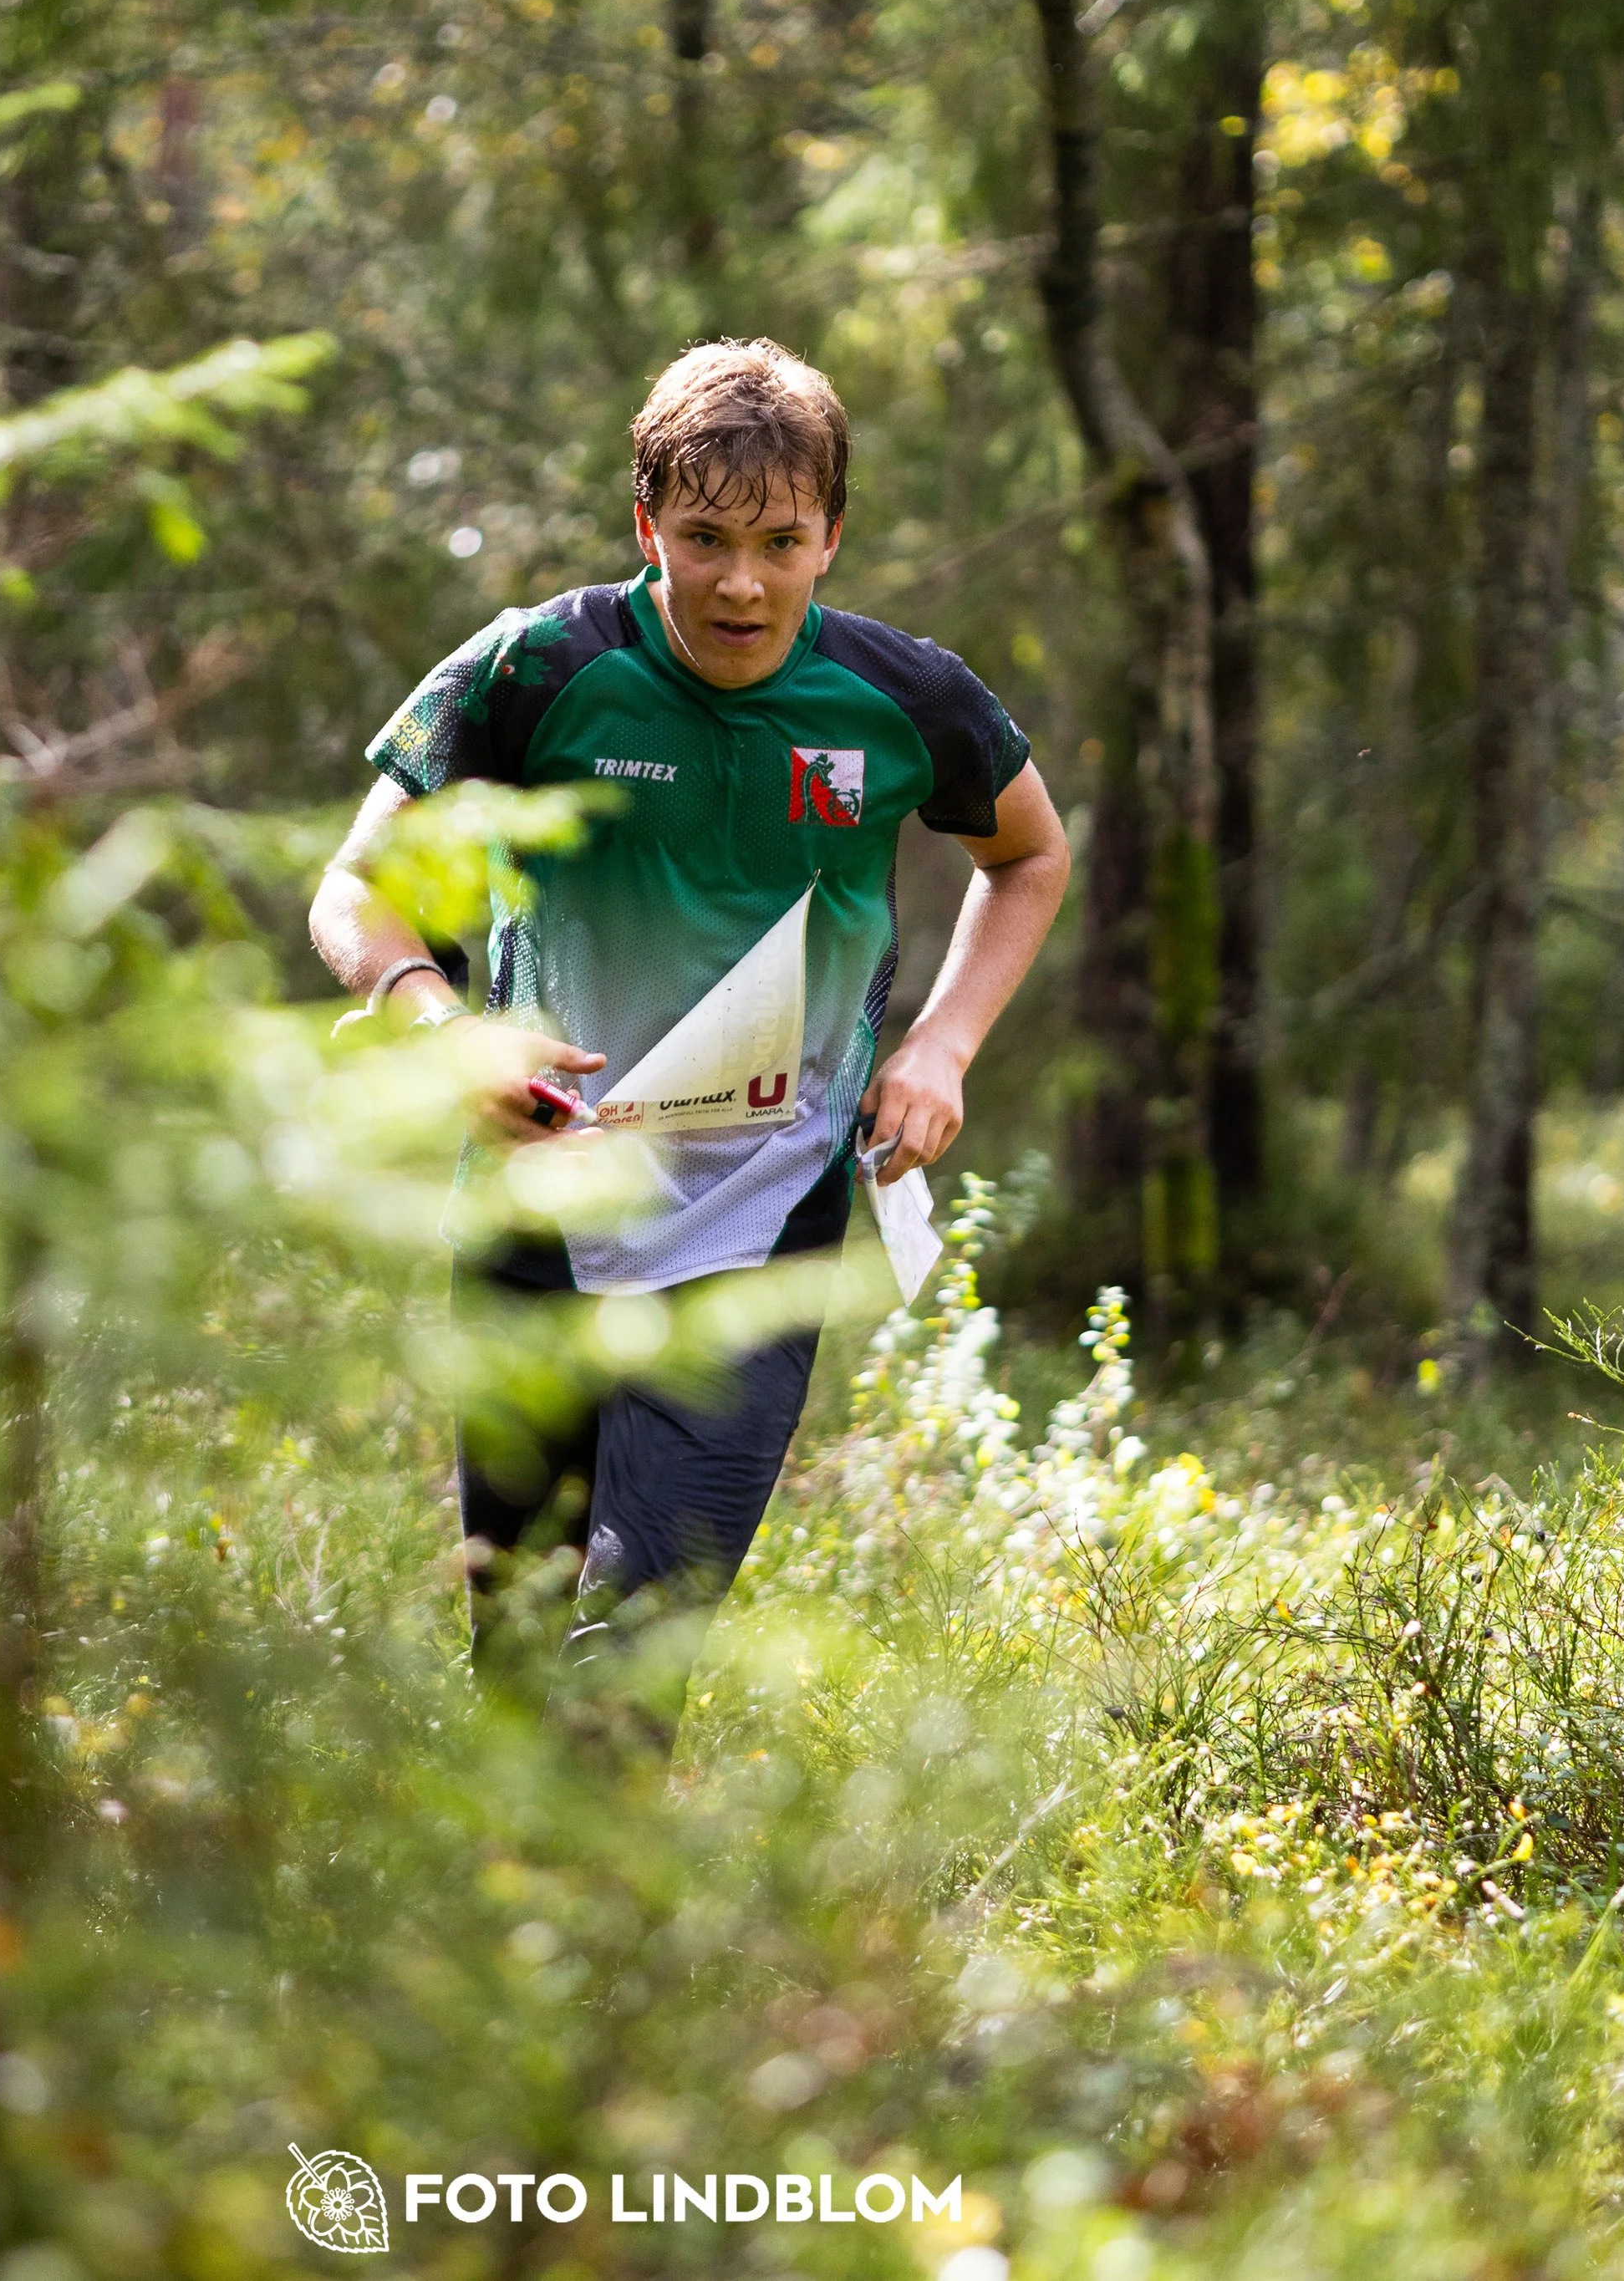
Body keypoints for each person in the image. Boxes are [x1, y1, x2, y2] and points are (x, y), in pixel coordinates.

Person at [309, 338, 1069, 1750]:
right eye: (706, 539)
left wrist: (944, 1047)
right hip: (538, 1200)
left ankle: (597, 1890)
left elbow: (1028, 854)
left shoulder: (901, 699)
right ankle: (525, 1890)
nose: (742, 585)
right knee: (521, 1647)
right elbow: (355, 889)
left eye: (782, 543)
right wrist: (442, 1028)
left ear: (832, 537)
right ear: (647, 522)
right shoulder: (542, 666)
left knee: (635, 1643)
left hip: (759, 1223)